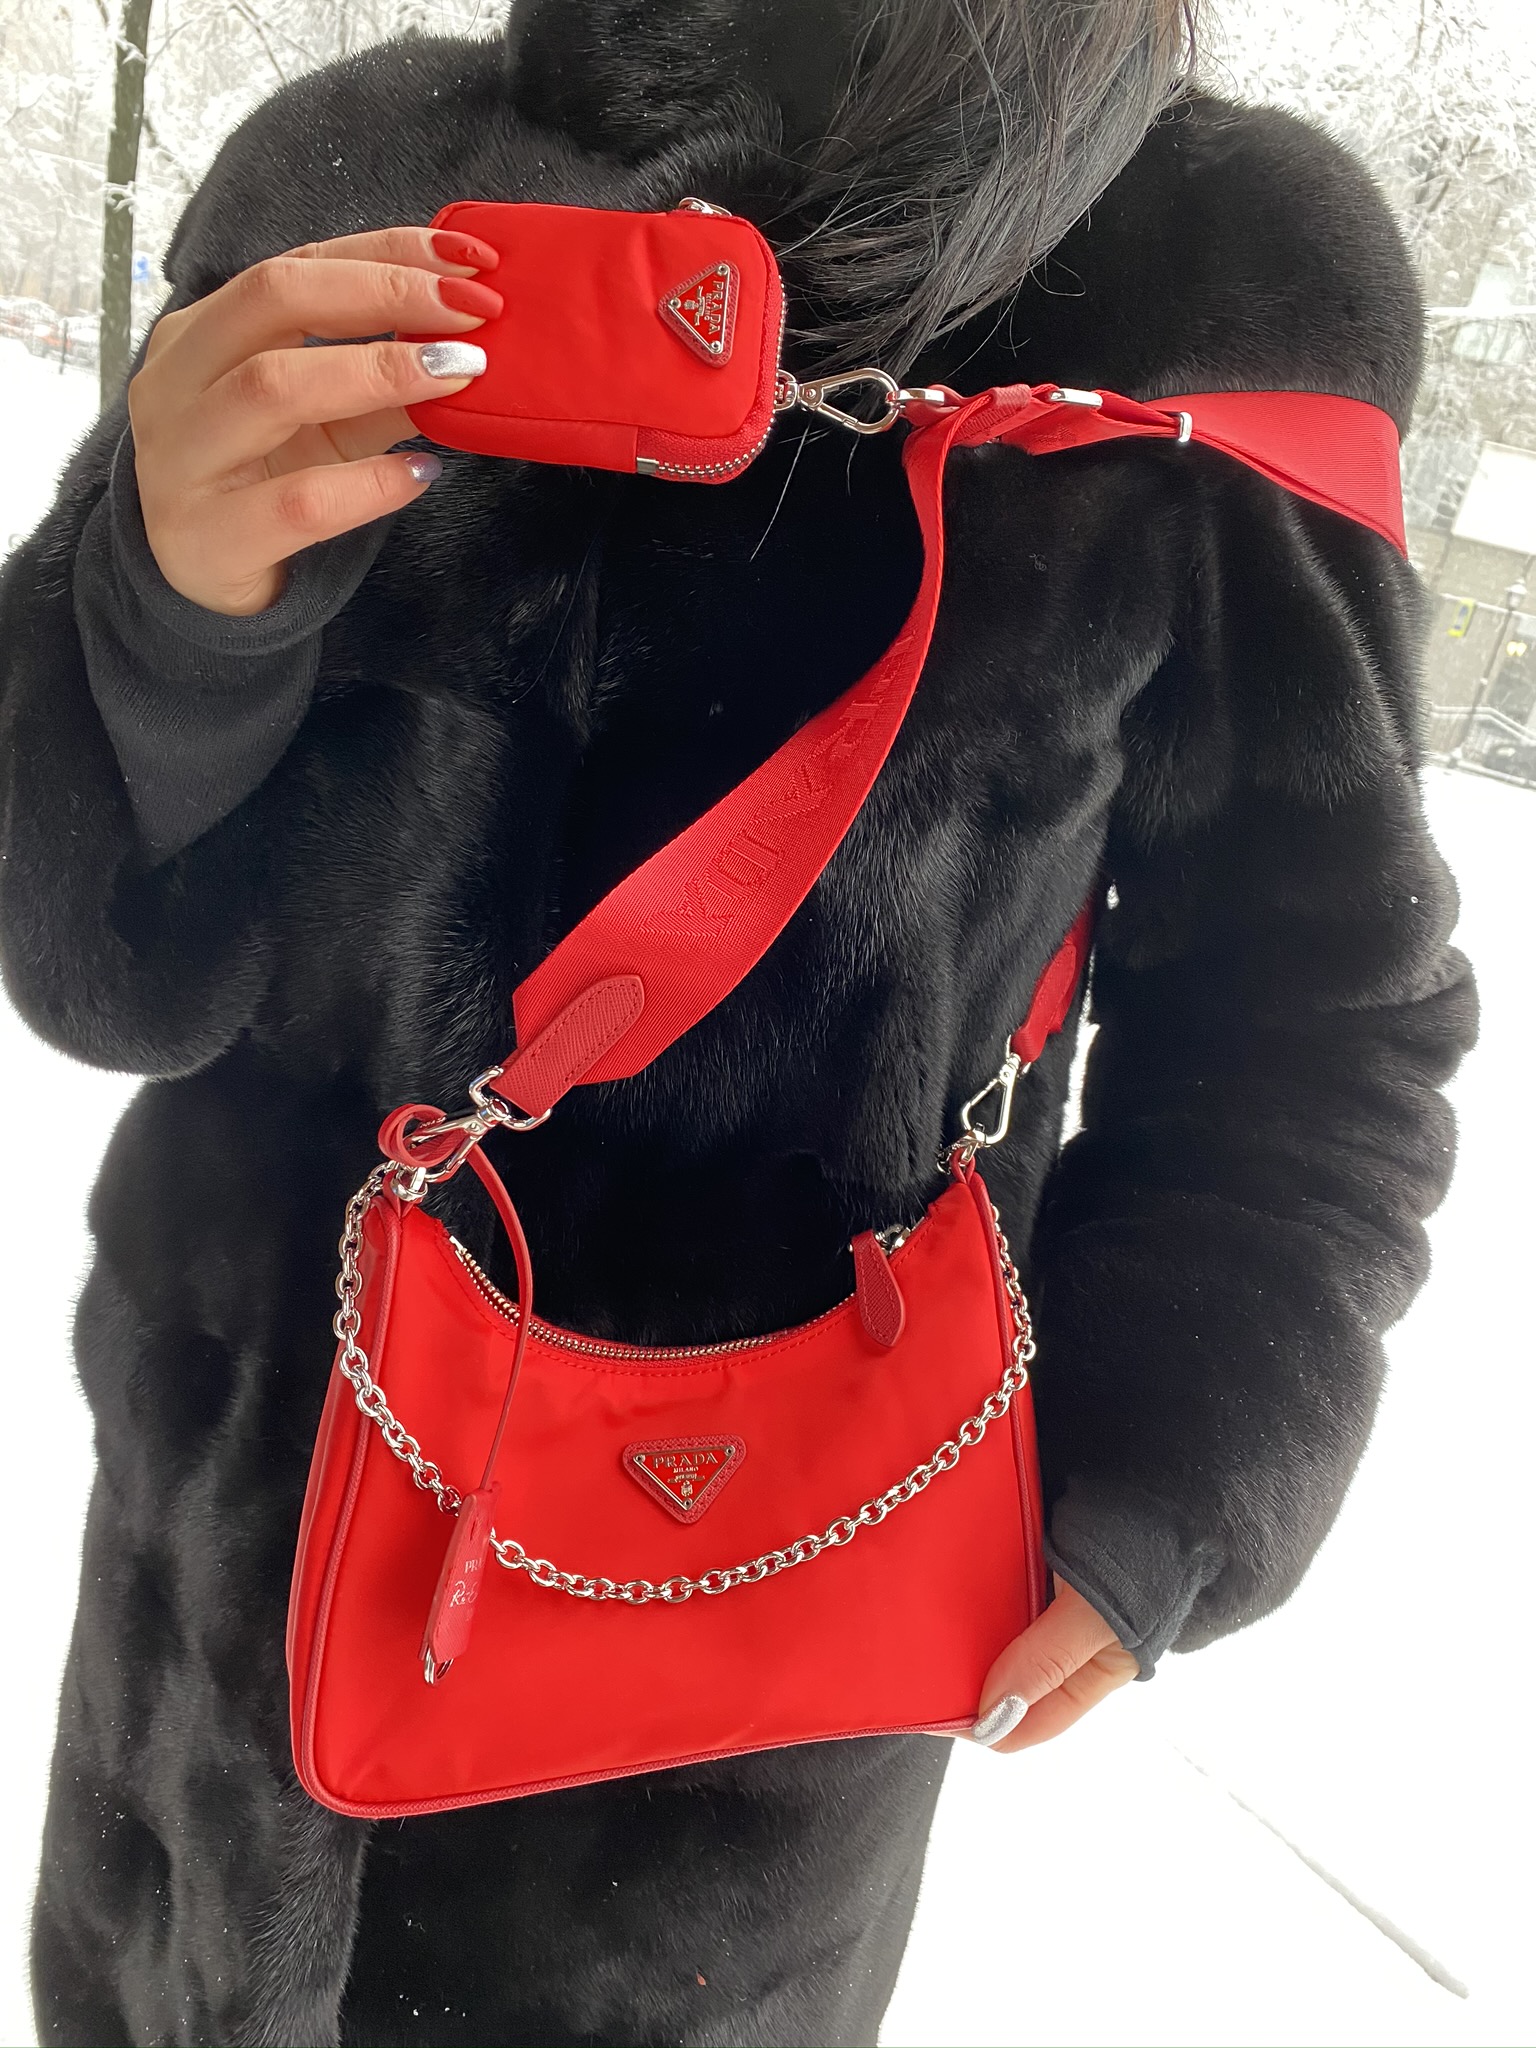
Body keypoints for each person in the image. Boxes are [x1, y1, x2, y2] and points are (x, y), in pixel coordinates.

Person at [0, 2, 1477, 2043]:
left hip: (719, 1758)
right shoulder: (364, 176)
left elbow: (1308, 1001)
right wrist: (166, 618)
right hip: (208, 1643)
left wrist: (1182, 1448)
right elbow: (102, 955)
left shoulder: (1218, 288)